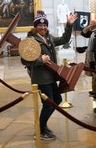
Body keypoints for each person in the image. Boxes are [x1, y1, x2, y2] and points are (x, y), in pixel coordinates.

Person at [21, 10, 78, 140]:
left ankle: (42, 125)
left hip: (51, 76)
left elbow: (64, 39)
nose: (43, 27)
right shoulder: (30, 40)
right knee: (48, 103)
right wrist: (41, 60)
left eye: (45, 25)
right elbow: (24, 60)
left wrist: (69, 25)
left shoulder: (49, 38)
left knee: (56, 100)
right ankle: (40, 130)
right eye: (40, 25)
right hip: (41, 78)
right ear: (35, 27)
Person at [81, 20, 96, 97]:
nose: (89, 25)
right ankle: (95, 90)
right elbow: (83, 32)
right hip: (91, 55)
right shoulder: (92, 32)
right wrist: (90, 26)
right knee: (93, 73)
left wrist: (91, 26)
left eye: (91, 24)